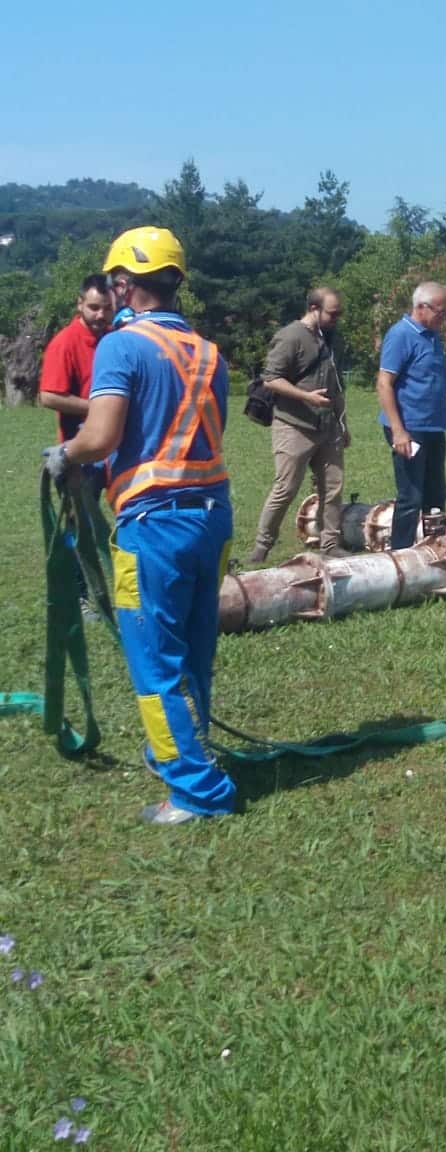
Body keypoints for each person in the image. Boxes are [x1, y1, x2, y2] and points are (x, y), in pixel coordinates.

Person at [42, 226, 236, 826]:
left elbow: (101, 436)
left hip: (154, 525)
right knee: (193, 648)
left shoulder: (121, 347)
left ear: (125, 284)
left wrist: (66, 456)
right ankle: (179, 749)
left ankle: (197, 791)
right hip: (212, 517)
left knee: (155, 662)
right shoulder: (208, 351)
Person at [247, 286, 349, 564]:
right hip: (294, 424)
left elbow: (337, 386)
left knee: (332, 486)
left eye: (339, 313)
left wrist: (343, 424)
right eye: (332, 313)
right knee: (286, 488)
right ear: (314, 308)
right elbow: (271, 379)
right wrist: (307, 397)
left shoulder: (332, 339)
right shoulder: (291, 336)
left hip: (327, 427)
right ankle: (262, 546)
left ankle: (330, 543)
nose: (337, 318)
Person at [376, 282, 446, 549]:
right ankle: (400, 554)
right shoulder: (401, 335)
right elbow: (384, 383)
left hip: (433, 425)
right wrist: (398, 430)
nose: (444, 318)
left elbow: (434, 383)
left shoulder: (432, 336)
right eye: (441, 312)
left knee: (437, 492)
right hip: (409, 426)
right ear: (421, 307)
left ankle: (435, 547)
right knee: (411, 495)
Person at [38, 274, 113, 444]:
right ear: (80, 304)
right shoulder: (65, 342)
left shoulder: (115, 337)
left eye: (107, 308)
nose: (101, 315)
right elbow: (49, 396)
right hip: (80, 444)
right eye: (94, 307)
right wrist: (97, 408)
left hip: (113, 442)